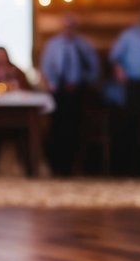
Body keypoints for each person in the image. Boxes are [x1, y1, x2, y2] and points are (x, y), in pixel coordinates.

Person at [39, 15, 100, 176]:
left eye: (72, 26)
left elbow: (93, 67)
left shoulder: (83, 46)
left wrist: (85, 83)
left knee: (75, 129)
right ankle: (57, 165)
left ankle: (73, 166)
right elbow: (45, 68)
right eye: (66, 26)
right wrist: (49, 85)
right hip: (57, 91)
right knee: (57, 128)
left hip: (77, 92)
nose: (69, 30)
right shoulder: (53, 45)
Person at [109, 5, 140, 176]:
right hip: (132, 85)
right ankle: (127, 169)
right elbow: (114, 57)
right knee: (130, 124)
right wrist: (120, 72)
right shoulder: (129, 36)